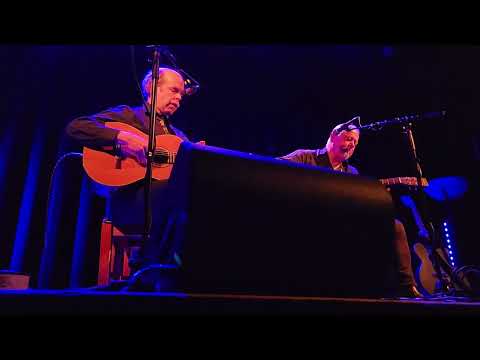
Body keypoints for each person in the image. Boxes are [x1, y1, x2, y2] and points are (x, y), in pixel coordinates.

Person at [278, 118, 423, 298]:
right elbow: (274, 171)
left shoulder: (351, 173)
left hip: (342, 224)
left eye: (355, 143)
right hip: (307, 221)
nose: (351, 145)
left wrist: (374, 194)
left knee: (395, 226)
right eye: (348, 139)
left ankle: (405, 285)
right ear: (333, 135)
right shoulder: (304, 157)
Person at [66, 67, 192, 272]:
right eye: (173, 90)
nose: (179, 98)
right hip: (129, 201)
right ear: (152, 87)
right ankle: (153, 268)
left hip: (165, 205)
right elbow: (76, 127)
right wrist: (120, 138)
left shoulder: (177, 136)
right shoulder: (130, 116)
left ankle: (170, 270)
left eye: (181, 94)